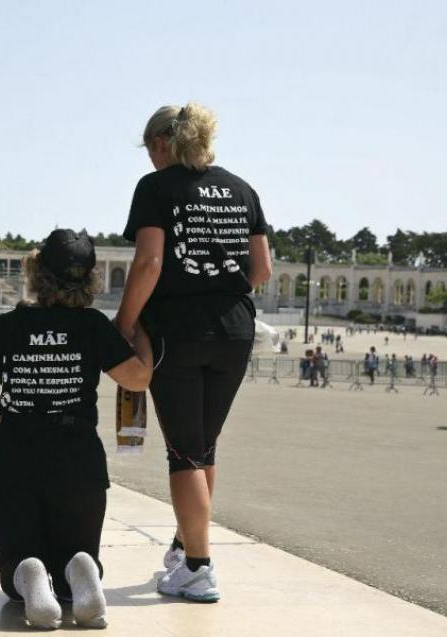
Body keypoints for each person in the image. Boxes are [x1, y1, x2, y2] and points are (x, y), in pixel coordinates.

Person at [0, 230, 153, 629]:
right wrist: (142, 335)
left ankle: (28, 572)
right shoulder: (93, 327)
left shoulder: (7, 328)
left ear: (36, 274)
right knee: (74, 553)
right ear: (88, 281)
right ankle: (80, 569)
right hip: (78, 459)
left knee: (15, 566)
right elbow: (138, 378)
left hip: (15, 456)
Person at [115, 103, 273, 602]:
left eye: (149, 151)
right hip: (234, 330)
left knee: (183, 451)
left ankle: (199, 568)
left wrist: (123, 323)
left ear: (162, 143)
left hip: (177, 333)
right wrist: (219, 293)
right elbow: (263, 268)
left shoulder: (157, 188)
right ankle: (187, 548)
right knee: (204, 445)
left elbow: (150, 262)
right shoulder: (241, 188)